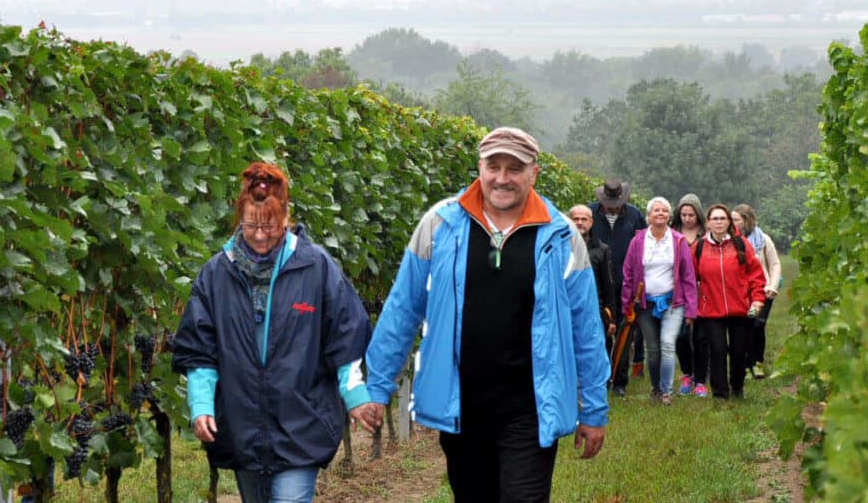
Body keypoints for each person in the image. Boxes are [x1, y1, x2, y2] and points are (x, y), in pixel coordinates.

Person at [364, 127, 609, 503]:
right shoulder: (440, 225)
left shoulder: (560, 236)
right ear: (479, 167)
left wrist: (593, 407)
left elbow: (586, 328)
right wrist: (378, 386)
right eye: (493, 166)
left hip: (530, 407)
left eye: (515, 168)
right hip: (462, 404)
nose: (502, 178)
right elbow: (403, 308)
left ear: (534, 173)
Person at [171, 162, 380, 503]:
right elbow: (199, 348)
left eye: (269, 225)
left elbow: (347, 335)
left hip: (301, 422)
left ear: (286, 219)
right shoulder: (215, 274)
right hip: (243, 426)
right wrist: (200, 403)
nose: (259, 234)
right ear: (240, 218)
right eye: (251, 224)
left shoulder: (316, 267)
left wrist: (355, 395)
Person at [619, 197, 698, 405]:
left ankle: (666, 391)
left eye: (664, 210)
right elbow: (627, 274)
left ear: (669, 216)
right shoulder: (638, 241)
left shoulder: (678, 241)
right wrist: (627, 305)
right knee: (652, 350)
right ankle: (655, 388)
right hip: (645, 304)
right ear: (649, 216)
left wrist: (691, 310)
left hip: (673, 302)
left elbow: (688, 276)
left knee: (667, 344)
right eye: (656, 210)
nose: (661, 213)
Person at [692, 204, 766, 400]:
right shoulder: (699, 247)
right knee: (717, 350)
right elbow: (690, 277)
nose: (718, 222)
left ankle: (737, 387)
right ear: (708, 222)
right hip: (712, 310)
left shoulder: (741, 245)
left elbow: (756, 274)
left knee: (739, 351)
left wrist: (757, 300)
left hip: (740, 308)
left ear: (729, 222)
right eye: (714, 219)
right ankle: (720, 393)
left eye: (722, 219)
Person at [588, 178, 647, 396]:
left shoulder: (635, 216)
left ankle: (620, 381)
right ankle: (601, 379)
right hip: (598, 283)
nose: (612, 206)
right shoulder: (589, 213)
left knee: (625, 332)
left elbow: (643, 246)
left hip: (626, 283)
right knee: (600, 333)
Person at [732, 204, 783, 379]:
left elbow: (775, 264)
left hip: (762, 292)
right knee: (743, 327)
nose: (732, 223)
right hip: (741, 294)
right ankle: (745, 365)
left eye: (736, 220)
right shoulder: (731, 241)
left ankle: (757, 363)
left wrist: (773, 286)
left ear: (746, 221)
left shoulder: (763, 240)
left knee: (757, 325)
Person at [671, 193, 710, 397]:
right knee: (681, 335)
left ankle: (701, 379)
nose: (687, 218)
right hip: (679, 291)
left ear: (698, 215)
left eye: (691, 215)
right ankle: (687, 373)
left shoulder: (706, 235)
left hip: (703, 290)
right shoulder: (672, 233)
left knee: (701, 336)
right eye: (684, 214)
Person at [570, 204, 618, 356]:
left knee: (599, 350)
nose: (579, 223)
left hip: (596, 309)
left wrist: (611, 318)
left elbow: (609, 284)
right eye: (575, 219)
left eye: (584, 219)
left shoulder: (601, 249)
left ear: (590, 222)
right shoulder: (561, 247)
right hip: (569, 308)